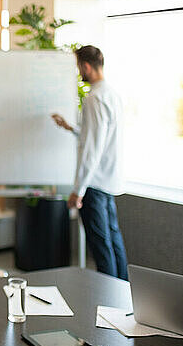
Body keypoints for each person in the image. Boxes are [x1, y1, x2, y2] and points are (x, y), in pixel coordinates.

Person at [51, 45, 128, 280]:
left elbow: (92, 149)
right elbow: (95, 135)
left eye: (78, 67)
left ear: (86, 66)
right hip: (109, 180)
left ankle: (109, 300)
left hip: (94, 183)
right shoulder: (112, 94)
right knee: (113, 241)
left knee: (101, 246)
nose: (79, 72)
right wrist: (71, 127)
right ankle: (123, 292)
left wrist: (78, 190)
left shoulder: (94, 99)